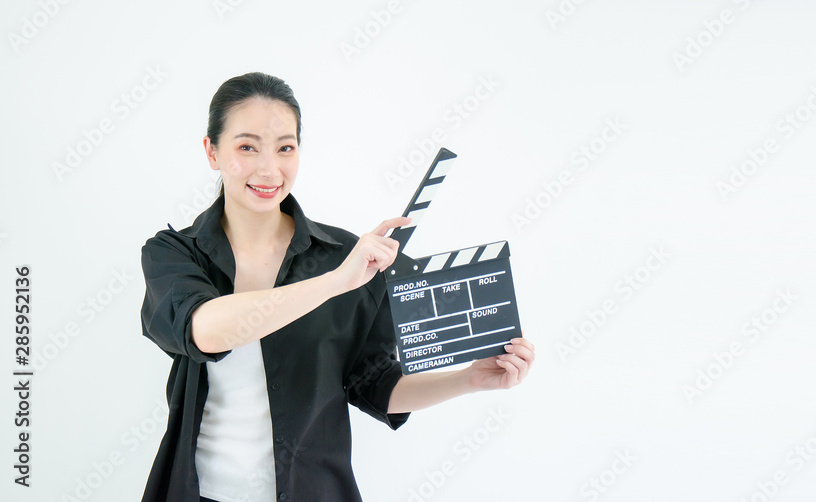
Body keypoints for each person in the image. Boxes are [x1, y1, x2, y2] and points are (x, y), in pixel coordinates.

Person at [138, 72, 535, 502]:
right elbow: (206, 330)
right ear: (212, 151)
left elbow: (375, 384)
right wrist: (334, 283)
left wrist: (468, 380)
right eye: (247, 146)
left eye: (285, 148)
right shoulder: (174, 253)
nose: (269, 168)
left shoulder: (346, 256)